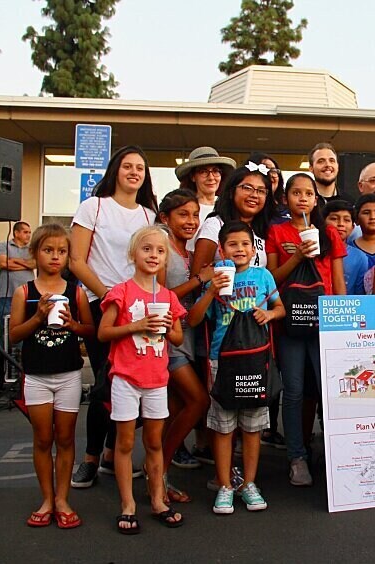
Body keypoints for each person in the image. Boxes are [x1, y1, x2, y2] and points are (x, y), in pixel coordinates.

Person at [69, 145, 157, 489]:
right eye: (127, 166)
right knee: (108, 382)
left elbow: (153, 263)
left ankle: (111, 454)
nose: (134, 172)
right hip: (103, 303)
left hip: (140, 307)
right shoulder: (94, 206)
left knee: (135, 382)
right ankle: (89, 458)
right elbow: (76, 261)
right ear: (115, 171)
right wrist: (110, 296)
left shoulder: (149, 215)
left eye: (140, 167)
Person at [188, 221, 283, 513]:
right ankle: (225, 483)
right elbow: (193, 320)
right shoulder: (213, 279)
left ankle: (249, 483)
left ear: (253, 248)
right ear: (221, 249)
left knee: (252, 426)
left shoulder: (263, 276)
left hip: (256, 357)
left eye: (245, 244)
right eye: (232, 244)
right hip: (223, 358)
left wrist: (268, 314)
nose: (239, 249)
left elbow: (280, 308)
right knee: (224, 425)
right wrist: (209, 289)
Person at [98, 226, 186, 533]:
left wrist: (164, 327)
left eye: (160, 251)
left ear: (165, 260)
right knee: (124, 442)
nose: (153, 255)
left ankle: (158, 499)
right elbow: (103, 333)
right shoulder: (120, 292)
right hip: (125, 376)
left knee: (153, 441)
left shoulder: (168, 296)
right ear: (133, 253)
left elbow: (176, 336)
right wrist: (136, 325)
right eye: (147, 249)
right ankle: (128, 503)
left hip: (157, 378)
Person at [9, 224, 93, 529]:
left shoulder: (76, 291)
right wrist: (38, 316)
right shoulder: (24, 292)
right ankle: (46, 498)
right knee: (43, 439)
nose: (55, 257)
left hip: (69, 374)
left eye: (61, 251)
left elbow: (91, 330)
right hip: (37, 376)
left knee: (66, 438)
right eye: (48, 250)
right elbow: (14, 335)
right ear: (34, 254)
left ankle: (62, 499)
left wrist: (73, 325)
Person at [268, 173, 346, 487]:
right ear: (286, 199)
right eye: (295, 193)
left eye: (308, 193)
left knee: (330, 389)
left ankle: (335, 452)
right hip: (291, 319)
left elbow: (338, 282)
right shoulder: (277, 231)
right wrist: (298, 255)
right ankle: (296, 457)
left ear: (316, 199)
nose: (302, 198)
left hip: (325, 319)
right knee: (295, 390)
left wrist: (342, 322)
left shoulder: (328, 233)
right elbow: (272, 277)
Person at [157, 190, 213, 501]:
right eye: (183, 214)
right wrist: (198, 280)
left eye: (194, 215)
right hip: (167, 341)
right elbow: (159, 295)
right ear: (165, 218)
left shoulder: (187, 251)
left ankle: (160, 475)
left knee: (175, 408)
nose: (191, 221)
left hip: (187, 338)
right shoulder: (162, 246)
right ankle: (159, 470)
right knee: (198, 401)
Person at [0, 220, 34, 381]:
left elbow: (34, 263)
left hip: (28, 296)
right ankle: (6, 373)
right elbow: (2, 263)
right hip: (6, 295)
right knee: (6, 334)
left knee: (26, 330)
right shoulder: (3, 245)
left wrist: (14, 262)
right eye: (25, 232)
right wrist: (25, 264)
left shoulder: (32, 249)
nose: (28, 235)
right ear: (16, 233)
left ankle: (22, 372)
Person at [175, 146, 236, 223]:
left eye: (215, 171)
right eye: (203, 172)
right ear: (192, 177)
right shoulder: (185, 208)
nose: (211, 177)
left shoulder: (229, 207)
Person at [324, 200, 368, 295]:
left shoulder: (360, 257)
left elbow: (359, 295)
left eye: (347, 220)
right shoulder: (315, 251)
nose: (341, 224)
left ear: (352, 227)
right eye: (334, 219)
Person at [309, 142, 354, 207]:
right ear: (311, 168)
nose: (328, 164)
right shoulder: (305, 201)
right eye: (321, 161)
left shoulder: (349, 202)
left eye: (332, 160)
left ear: (337, 166)